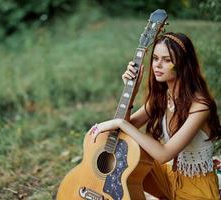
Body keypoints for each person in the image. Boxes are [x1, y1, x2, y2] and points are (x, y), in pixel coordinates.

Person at [89, 32, 221, 199]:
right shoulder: (163, 97)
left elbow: (164, 154)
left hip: (198, 187)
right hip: (168, 177)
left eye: (167, 60)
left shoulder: (200, 106)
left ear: (183, 64)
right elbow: (124, 130)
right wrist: (131, 92)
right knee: (122, 160)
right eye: (155, 58)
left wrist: (121, 124)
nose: (158, 65)